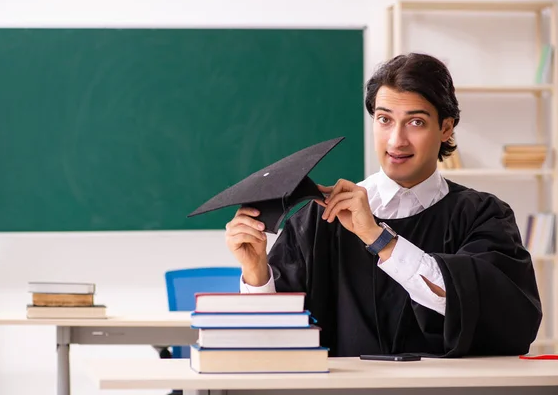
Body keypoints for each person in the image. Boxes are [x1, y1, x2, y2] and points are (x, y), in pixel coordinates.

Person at [224, 52, 542, 358]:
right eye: (384, 120)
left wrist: (378, 238)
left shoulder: (483, 216)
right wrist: (255, 272)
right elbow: (270, 342)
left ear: (446, 128)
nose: (396, 141)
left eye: (415, 122)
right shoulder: (318, 219)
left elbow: (507, 320)